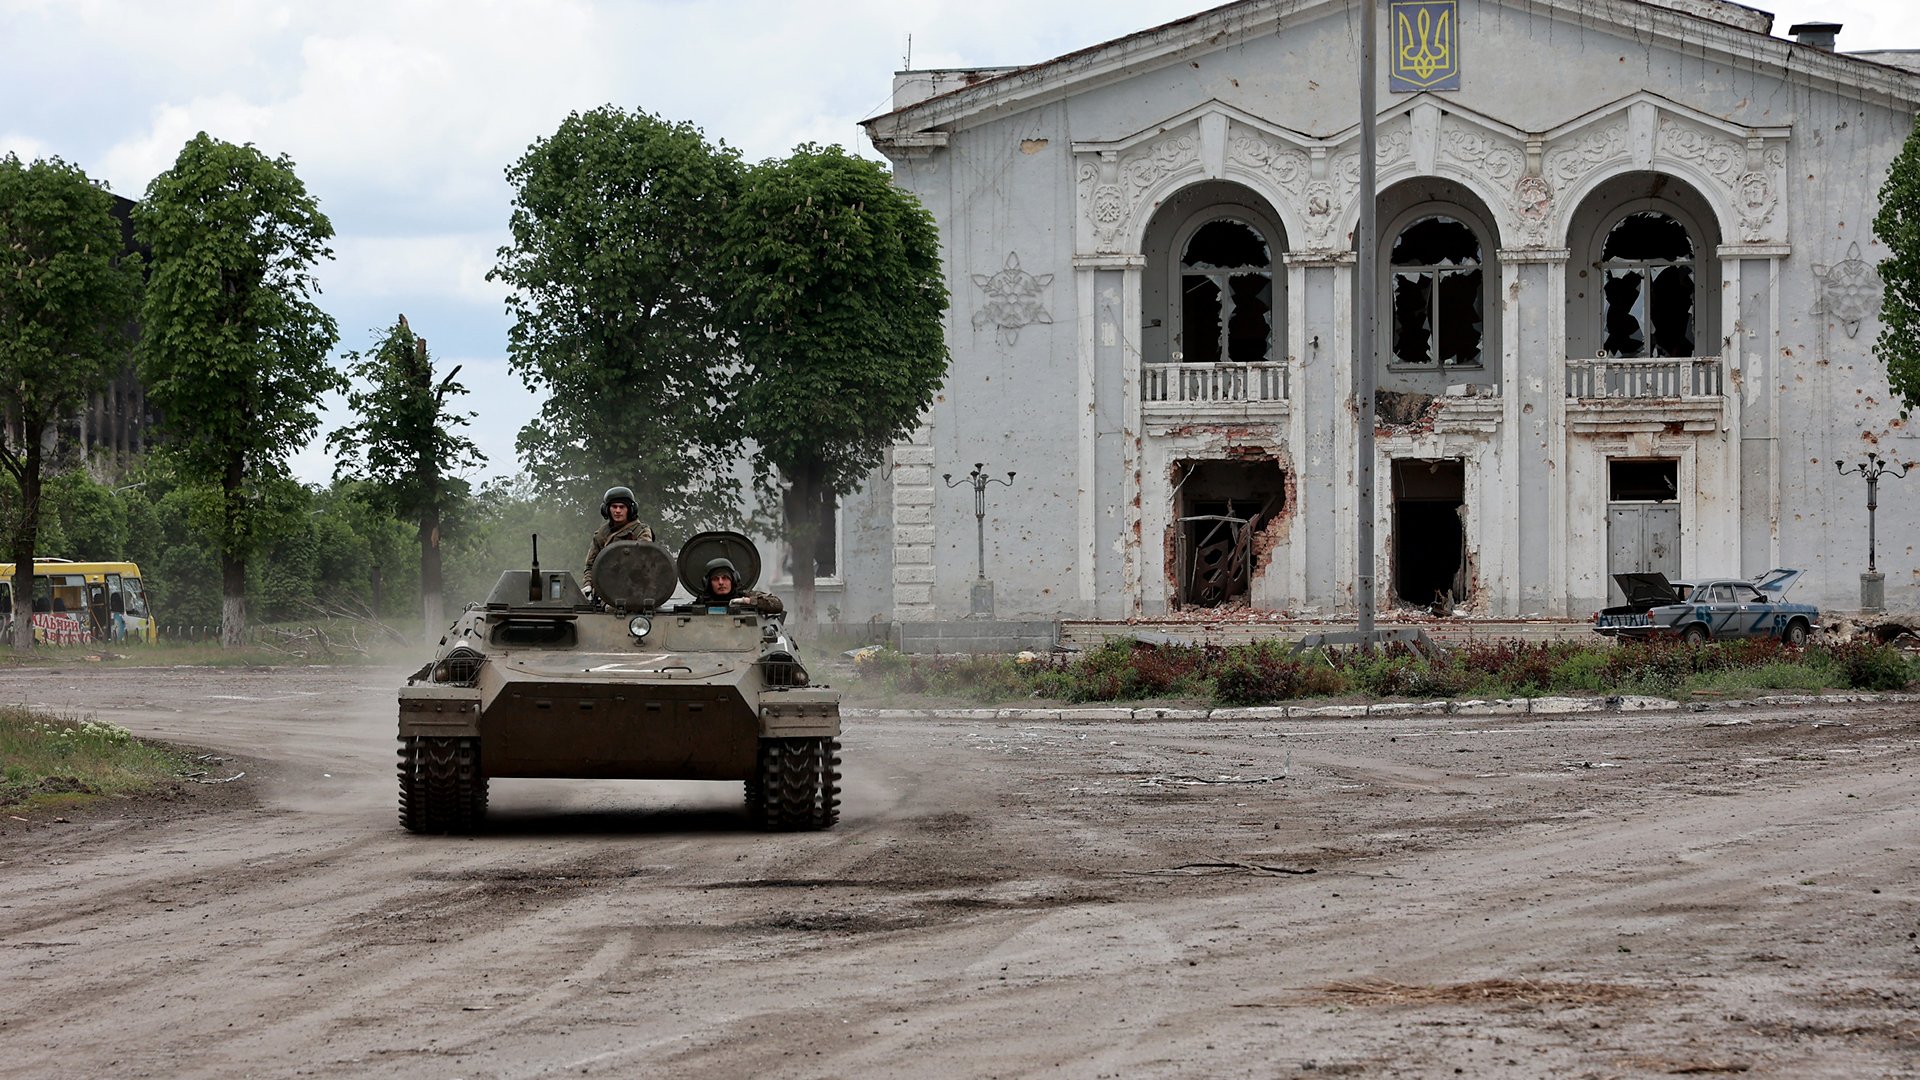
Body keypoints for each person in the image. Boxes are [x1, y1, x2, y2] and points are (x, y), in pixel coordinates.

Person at [583, 486, 654, 595]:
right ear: (606, 509)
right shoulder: (601, 535)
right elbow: (590, 565)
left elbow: (644, 559)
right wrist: (588, 584)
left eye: (622, 507)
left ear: (630, 509)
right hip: (606, 593)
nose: (617, 511)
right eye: (614, 507)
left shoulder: (641, 531)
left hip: (636, 591)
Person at [694, 557, 783, 615]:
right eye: (715, 579)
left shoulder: (744, 596)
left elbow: (777, 604)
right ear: (708, 583)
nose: (721, 582)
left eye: (725, 578)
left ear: (733, 580)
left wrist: (747, 601)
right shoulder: (701, 603)